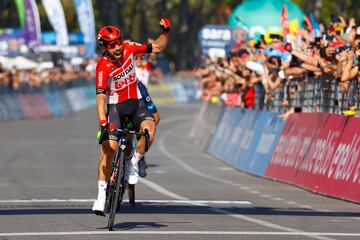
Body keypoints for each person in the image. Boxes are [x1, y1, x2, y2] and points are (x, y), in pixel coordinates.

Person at [92, 18, 171, 215]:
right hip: (115, 108)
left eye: (118, 42)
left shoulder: (129, 48)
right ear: (104, 47)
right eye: (112, 45)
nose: (117, 47)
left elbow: (159, 47)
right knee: (108, 150)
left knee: (150, 128)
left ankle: (134, 162)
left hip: (136, 103)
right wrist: (103, 123)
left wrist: (166, 31)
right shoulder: (102, 67)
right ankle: (101, 196)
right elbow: (101, 98)